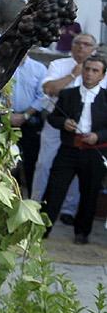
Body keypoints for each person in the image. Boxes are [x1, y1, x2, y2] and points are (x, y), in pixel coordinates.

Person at [33, 31, 99, 223]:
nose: (81, 47)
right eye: (78, 43)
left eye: (87, 44)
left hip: (85, 129)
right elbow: (49, 89)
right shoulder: (59, 65)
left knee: (78, 169)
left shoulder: (99, 68)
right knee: (44, 164)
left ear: (93, 49)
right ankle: (36, 202)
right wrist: (73, 75)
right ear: (71, 46)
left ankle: (68, 210)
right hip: (57, 123)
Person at [42, 54, 107, 244]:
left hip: (94, 152)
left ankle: (82, 232)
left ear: (102, 76)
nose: (89, 74)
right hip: (69, 149)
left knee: (89, 192)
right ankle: (42, 229)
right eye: (87, 69)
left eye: (95, 71)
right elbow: (52, 118)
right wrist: (64, 122)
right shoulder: (68, 94)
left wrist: (99, 136)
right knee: (54, 189)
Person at [7, 53, 50, 194]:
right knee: (6, 159)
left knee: (31, 160)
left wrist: (25, 115)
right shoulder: (3, 66)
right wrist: (6, 115)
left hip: (30, 120)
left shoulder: (39, 68)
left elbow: (43, 96)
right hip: (4, 119)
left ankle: (33, 198)